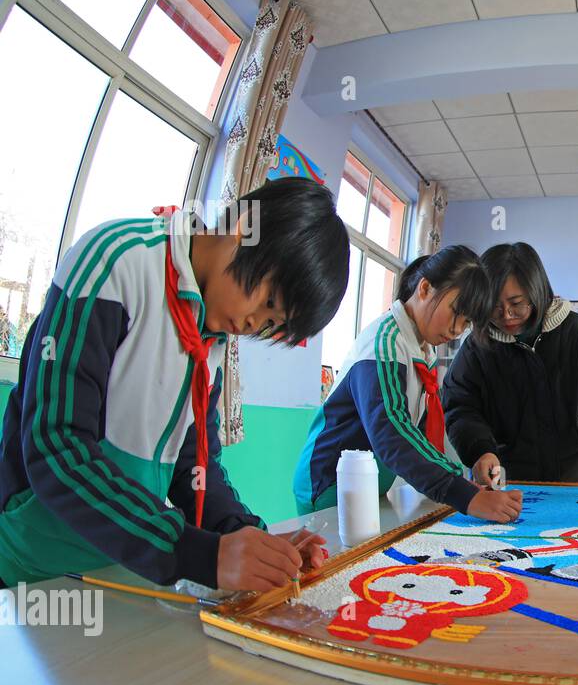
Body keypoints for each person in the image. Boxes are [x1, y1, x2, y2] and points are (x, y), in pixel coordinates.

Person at [0, 178, 350, 592]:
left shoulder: (212, 339)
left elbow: (193, 469)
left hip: (116, 570)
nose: (254, 322)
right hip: (31, 564)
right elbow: (57, 446)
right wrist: (198, 554)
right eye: (268, 301)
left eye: (272, 323)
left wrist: (250, 538)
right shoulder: (117, 262)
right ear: (241, 232)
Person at [294, 246, 522, 523]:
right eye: (455, 313)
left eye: (466, 323)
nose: (456, 330)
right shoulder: (385, 344)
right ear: (425, 288)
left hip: (369, 483)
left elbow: (423, 433)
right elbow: (392, 432)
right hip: (331, 482)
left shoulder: (422, 348)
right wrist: (467, 496)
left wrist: (467, 480)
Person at [442, 242, 578, 484]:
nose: (506, 315)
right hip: (507, 478)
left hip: (576, 475)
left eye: (516, 304)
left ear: (537, 292)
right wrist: (480, 450)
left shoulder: (576, 331)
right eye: (494, 306)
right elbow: (459, 405)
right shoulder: (478, 346)